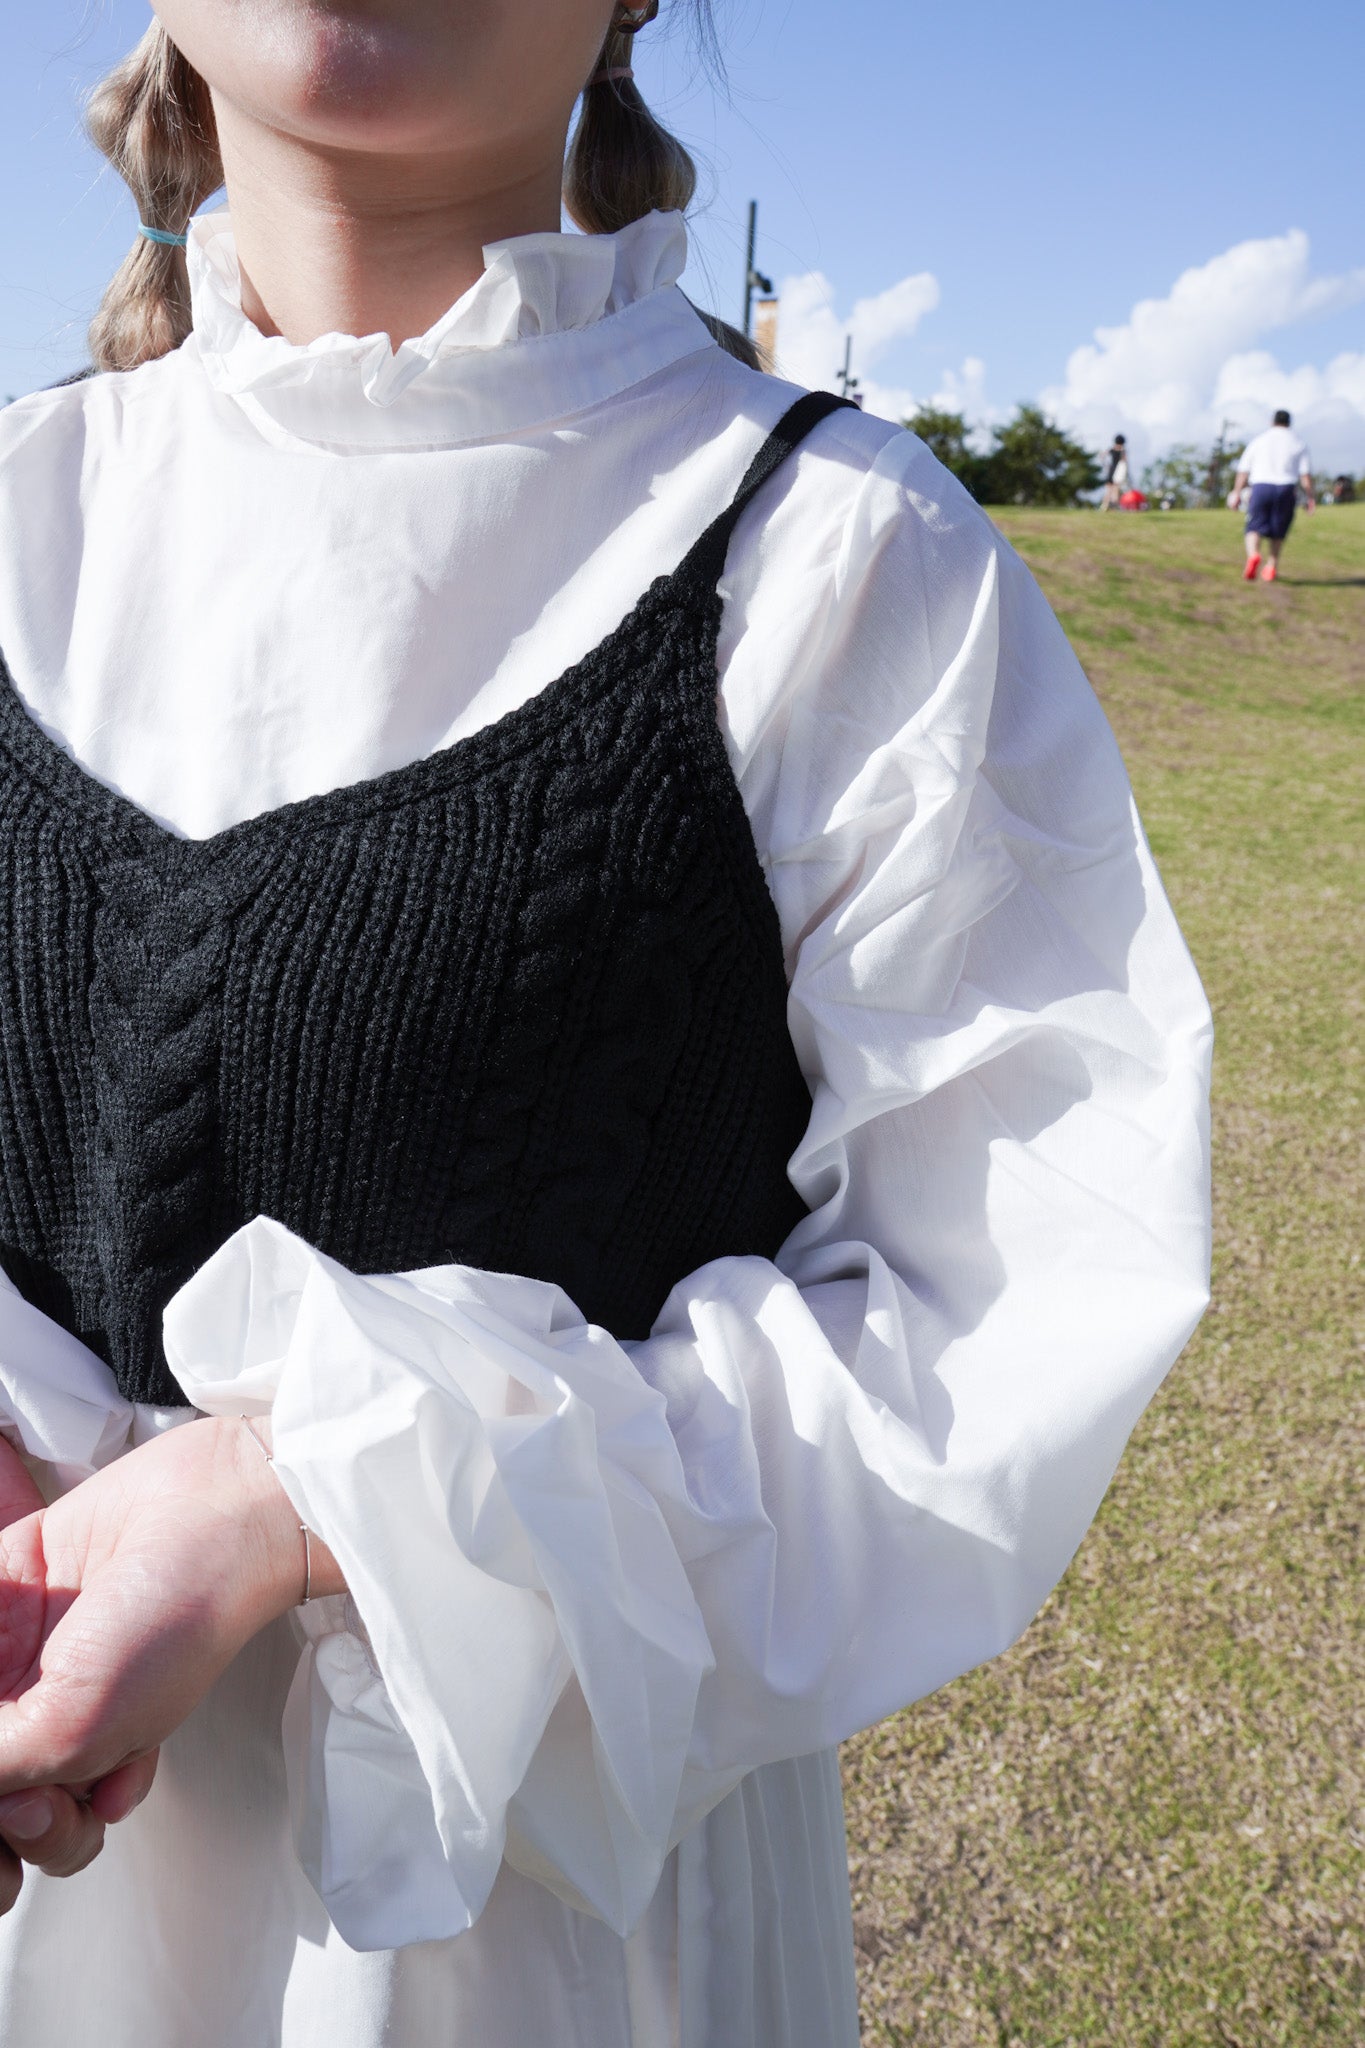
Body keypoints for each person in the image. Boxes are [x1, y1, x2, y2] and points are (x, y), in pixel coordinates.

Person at [0, 6, 1212, 2045]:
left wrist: (316, 1499)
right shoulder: (23, 512)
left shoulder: (835, 559)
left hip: (554, 1959)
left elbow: (997, 1316)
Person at [1228, 407, 1315, 580]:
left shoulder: (1260, 440)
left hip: (1261, 486)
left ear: (1272, 421)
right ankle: (1271, 567)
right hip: (1286, 488)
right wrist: (1311, 497)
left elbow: (1243, 470)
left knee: (1253, 526)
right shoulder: (1298, 442)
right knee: (1278, 530)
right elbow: (1305, 475)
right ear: (1289, 423)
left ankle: (1253, 555)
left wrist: (1236, 492)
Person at [1100, 431, 1131, 509]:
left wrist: (1106, 465)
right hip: (1118, 472)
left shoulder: (1112, 449)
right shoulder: (1122, 451)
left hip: (1111, 470)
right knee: (1115, 490)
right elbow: (1125, 462)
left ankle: (1104, 506)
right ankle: (1114, 507)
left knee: (1108, 490)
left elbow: (1102, 455)